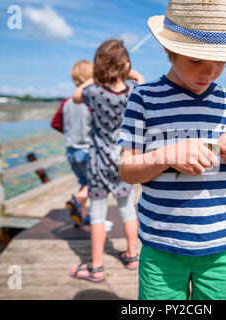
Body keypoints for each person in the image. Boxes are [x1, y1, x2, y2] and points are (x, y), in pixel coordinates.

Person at [117, 0, 226, 300]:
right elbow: (126, 170)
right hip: (160, 247)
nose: (209, 73)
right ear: (170, 50)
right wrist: (165, 155)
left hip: (222, 249)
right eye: (196, 61)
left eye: (220, 62)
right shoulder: (144, 98)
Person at [69, 40, 144, 282]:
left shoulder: (95, 92)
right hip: (123, 163)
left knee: (99, 216)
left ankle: (97, 267)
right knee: (128, 212)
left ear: (100, 65)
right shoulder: (133, 93)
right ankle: (132, 256)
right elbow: (144, 87)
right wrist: (132, 73)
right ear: (125, 65)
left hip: (99, 164)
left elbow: (76, 95)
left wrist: (94, 75)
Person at [51, 60, 93, 226]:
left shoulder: (66, 102)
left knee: (84, 183)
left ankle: (81, 217)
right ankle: (77, 200)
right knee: (96, 184)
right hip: (87, 151)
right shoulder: (91, 101)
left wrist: (70, 133)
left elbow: (56, 123)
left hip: (70, 151)